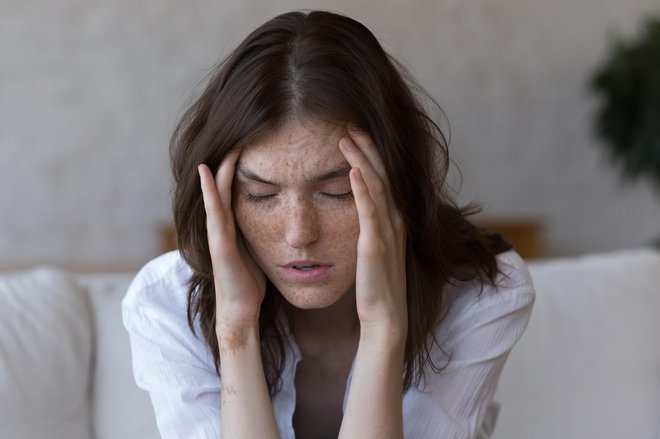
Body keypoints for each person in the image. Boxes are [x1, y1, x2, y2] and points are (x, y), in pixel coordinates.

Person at [122, 10, 535, 439]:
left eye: (337, 191)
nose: (299, 233)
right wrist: (237, 334)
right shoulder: (165, 303)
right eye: (261, 196)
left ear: (397, 182)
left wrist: (382, 331)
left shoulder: (481, 294)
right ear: (222, 201)